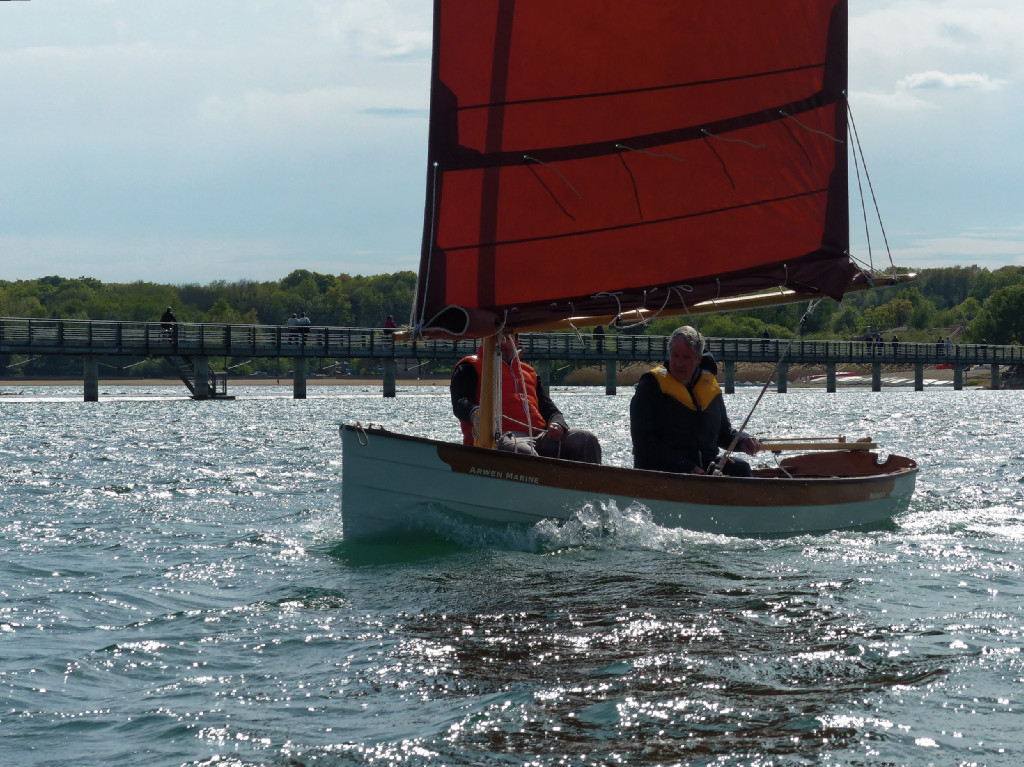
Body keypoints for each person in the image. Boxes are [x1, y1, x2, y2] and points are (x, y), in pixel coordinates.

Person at [450, 333, 601, 464]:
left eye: (505, 339)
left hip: (540, 437)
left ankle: (594, 489)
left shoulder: (528, 372)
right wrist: (475, 412)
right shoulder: (470, 367)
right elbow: (460, 403)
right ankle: (540, 490)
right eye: (494, 339)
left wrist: (557, 423)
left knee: (586, 439)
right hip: (501, 439)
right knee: (520, 450)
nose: (500, 344)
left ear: (516, 342)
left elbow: (550, 410)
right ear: (484, 340)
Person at [630, 325, 760, 476]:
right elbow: (643, 443)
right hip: (662, 469)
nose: (678, 363)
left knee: (741, 468)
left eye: (686, 357)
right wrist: (685, 467)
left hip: (704, 464)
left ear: (698, 359)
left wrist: (743, 441)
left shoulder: (709, 387)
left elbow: (723, 432)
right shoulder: (650, 386)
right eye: (675, 355)